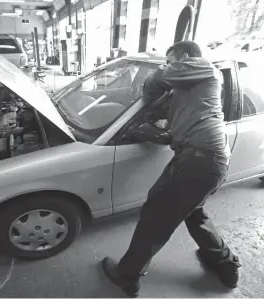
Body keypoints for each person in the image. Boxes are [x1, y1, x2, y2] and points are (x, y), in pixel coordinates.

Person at [101, 41, 241, 297]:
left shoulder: (205, 68)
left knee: (156, 216)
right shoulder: (189, 91)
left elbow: (161, 76)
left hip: (198, 160)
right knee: (193, 211)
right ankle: (226, 264)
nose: (168, 66)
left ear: (186, 58)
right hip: (207, 161)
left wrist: (163, 71)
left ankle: (127, 275)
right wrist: (155, 130)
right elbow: (153, 104)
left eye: (171, 60)